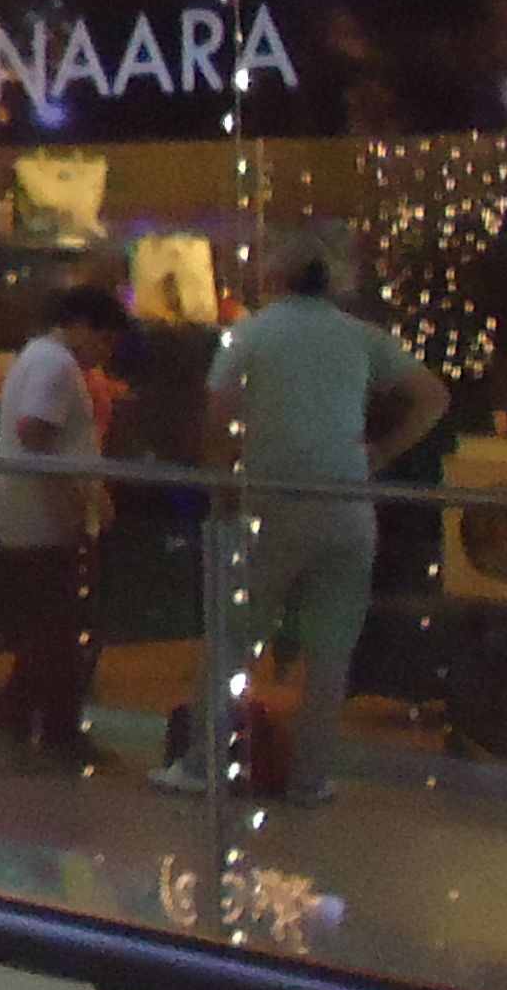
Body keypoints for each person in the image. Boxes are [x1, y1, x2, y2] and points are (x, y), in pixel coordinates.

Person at [162, 230, 449, 806]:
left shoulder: (251, 334)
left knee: (233, 640)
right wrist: (383, 452)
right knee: (331, 650)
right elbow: (432, 396)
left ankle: (202, 765)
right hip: (348, 503)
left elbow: (218, 423)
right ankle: (310, 777)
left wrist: (220, 492)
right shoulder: (360, 337)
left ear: (276, 278)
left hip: (272, 501)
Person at [0, 285, 134, 775]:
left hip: (31, 513)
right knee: (58, 628)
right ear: (83, 326)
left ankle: (20, 715)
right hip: (43, 520)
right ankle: (53, 728)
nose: (105, 354)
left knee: (49, 628)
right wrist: (73, 504)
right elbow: (37, 435)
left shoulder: (38, 357)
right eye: (106, 341)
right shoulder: (55, 364)